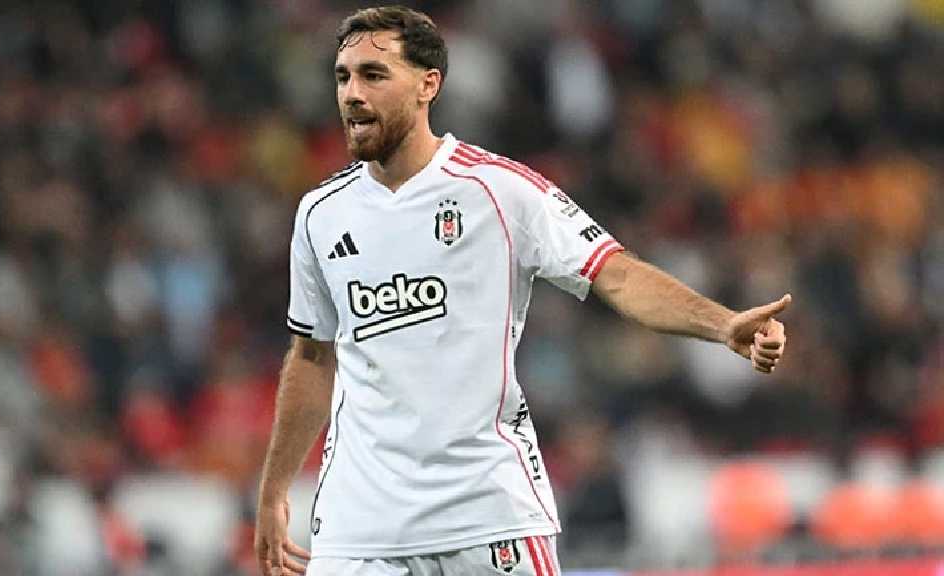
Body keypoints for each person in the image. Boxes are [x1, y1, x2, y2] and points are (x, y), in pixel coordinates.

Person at [255, 6, 790, 576]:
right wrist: (274, 490)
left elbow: (616, 274)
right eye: (343, 77)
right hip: (359, 528)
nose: (352, 94)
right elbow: (311, 356)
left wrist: (722, 324)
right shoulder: (320, 214)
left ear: (427, 85)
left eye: (373, 75)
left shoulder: (500, 191)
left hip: (488, 517)